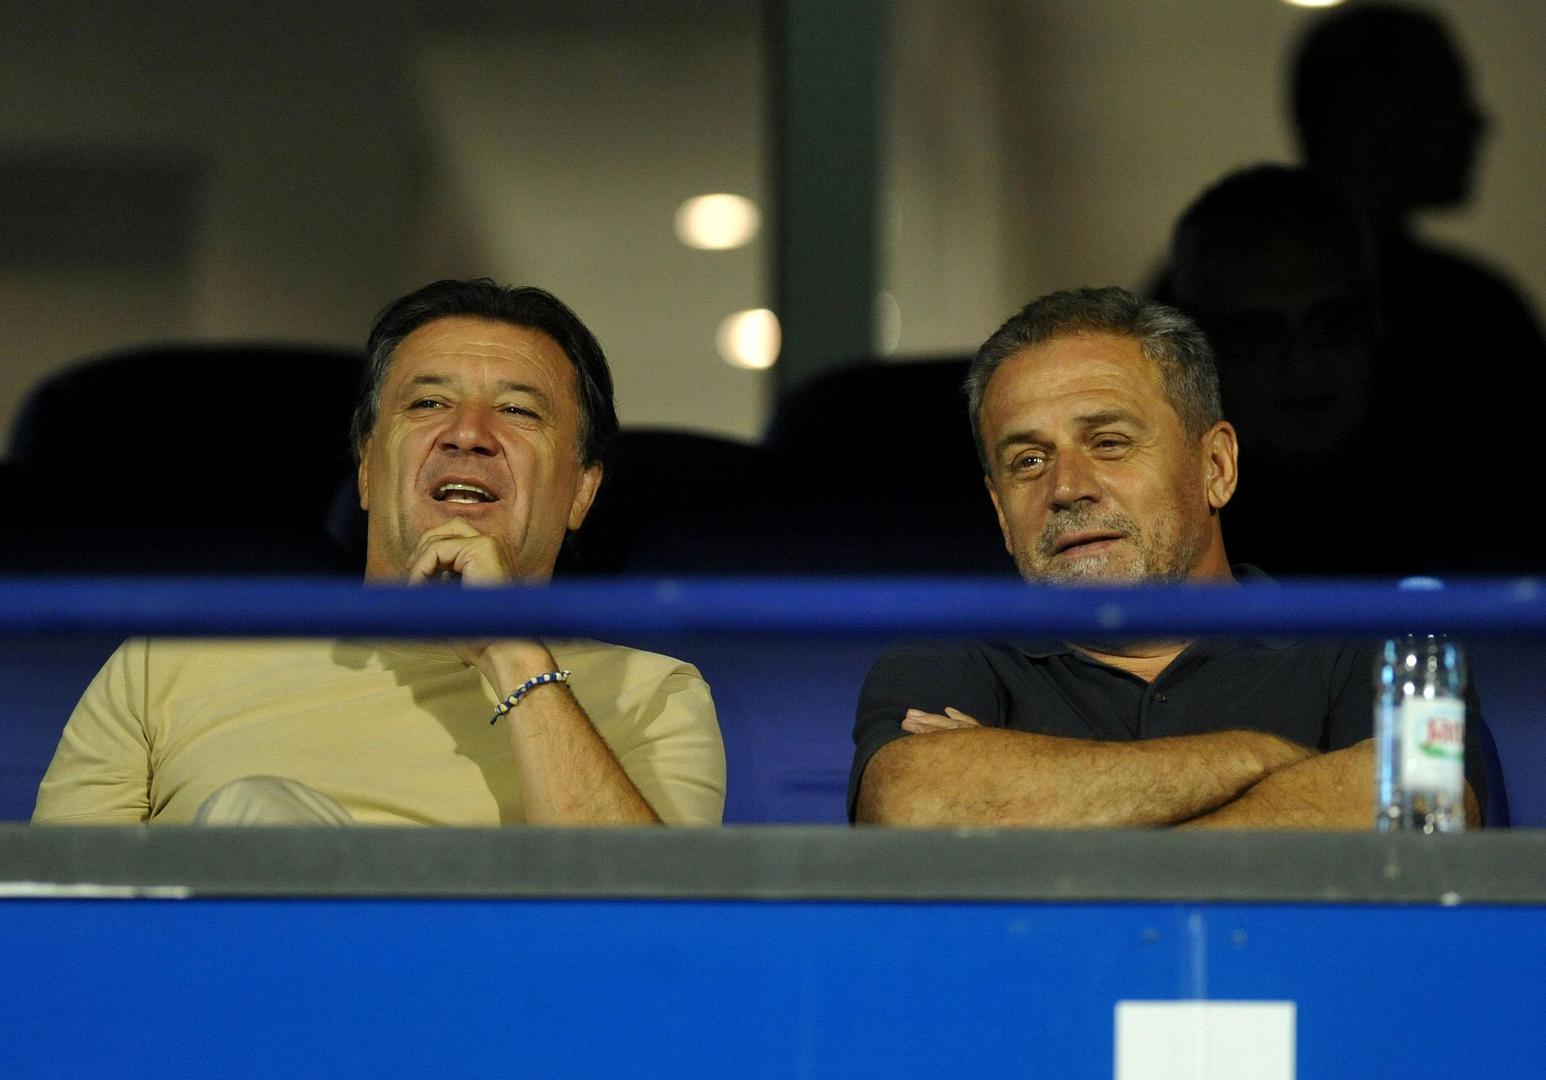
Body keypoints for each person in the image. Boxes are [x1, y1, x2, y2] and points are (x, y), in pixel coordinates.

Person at [33, 279, 725, 826]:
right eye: (428, 404)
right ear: (367, 468)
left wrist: (511, 648)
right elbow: (54, 929)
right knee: (258, 814)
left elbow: (646, 935)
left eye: (518, 411)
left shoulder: (654, 696)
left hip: (480, 972)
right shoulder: (167, 661)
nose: (468, 433)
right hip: (212, 965)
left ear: (581, 492)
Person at [849, 286, 1490, 827]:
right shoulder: (945, 655)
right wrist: (1257, 758)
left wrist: (1030, 798)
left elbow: (1427, 807)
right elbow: (914, 802)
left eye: (1109, 442)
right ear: (1000, 512)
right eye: (1029, 461)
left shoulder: (1371, 641)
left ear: (1216, 466)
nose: (1066, 488)